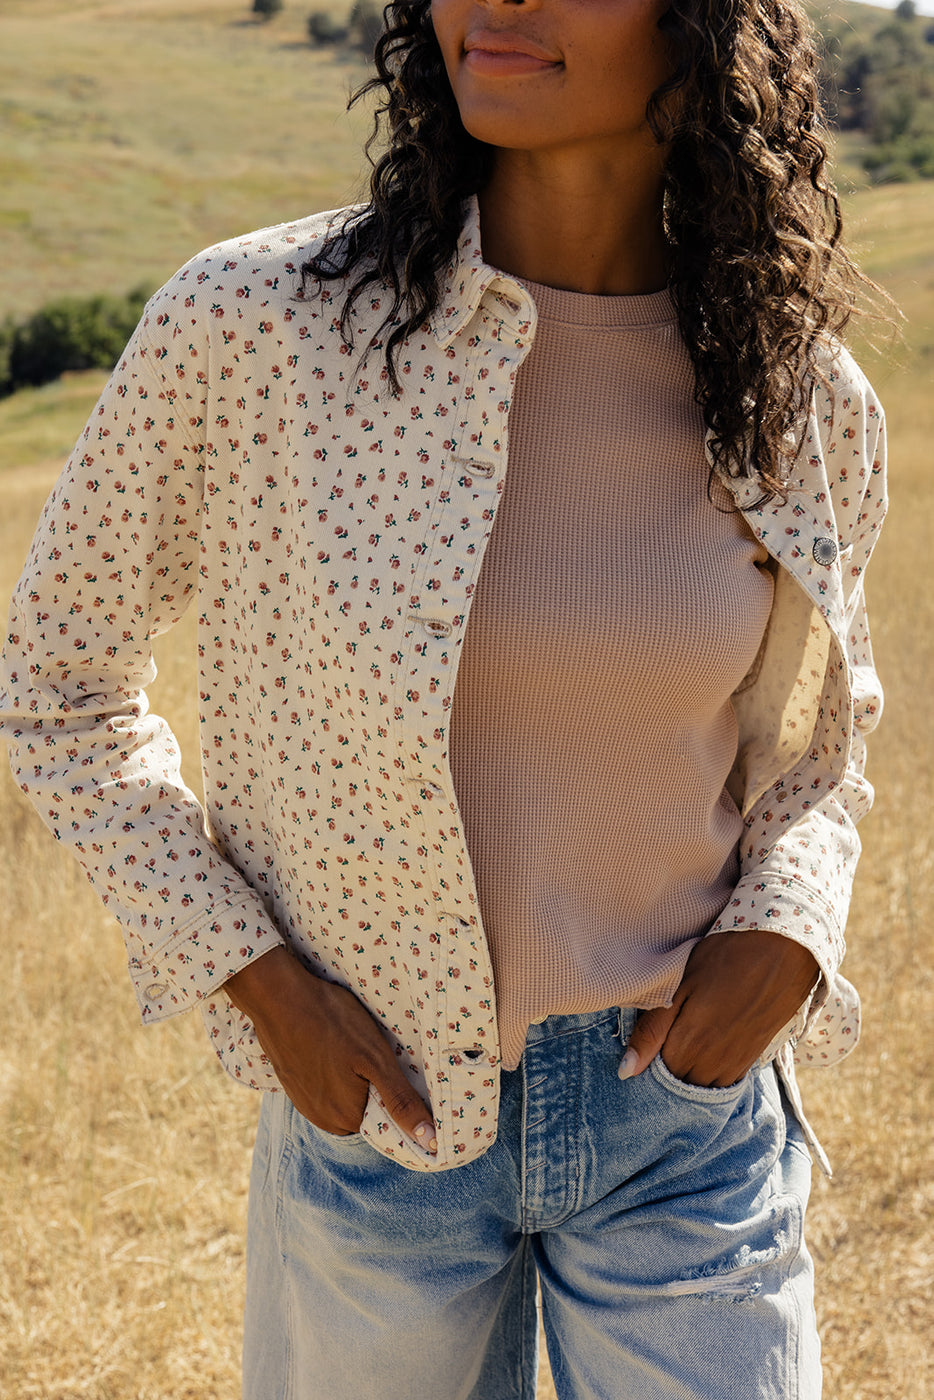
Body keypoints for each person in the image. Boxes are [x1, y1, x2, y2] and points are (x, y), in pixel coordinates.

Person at [0, 0, 888, 1392]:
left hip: (685, 1121)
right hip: (380, 1122)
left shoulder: (793, 393)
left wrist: (784, 933)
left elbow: (819, 747)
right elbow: (57, 686)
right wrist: (261, 982)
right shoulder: (256, 330)